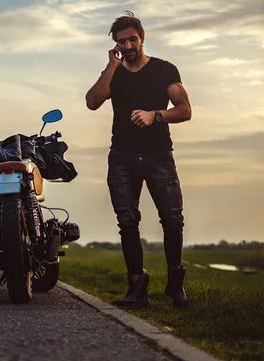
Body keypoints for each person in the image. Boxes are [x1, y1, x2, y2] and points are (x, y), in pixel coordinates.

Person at [85, 11, 192, 309]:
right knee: (127, 222)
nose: (128, 45)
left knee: (172, 219)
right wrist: (111, 66)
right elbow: (93, 102)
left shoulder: (164, 70)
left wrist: (155, 115)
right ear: (116, 45)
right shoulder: (114, 72)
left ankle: (175, 284)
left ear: (142, 38)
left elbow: (184, 110)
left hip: (159, 155)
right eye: (122, 41)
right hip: (122, 156)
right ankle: (136, 286)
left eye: (132, 39)